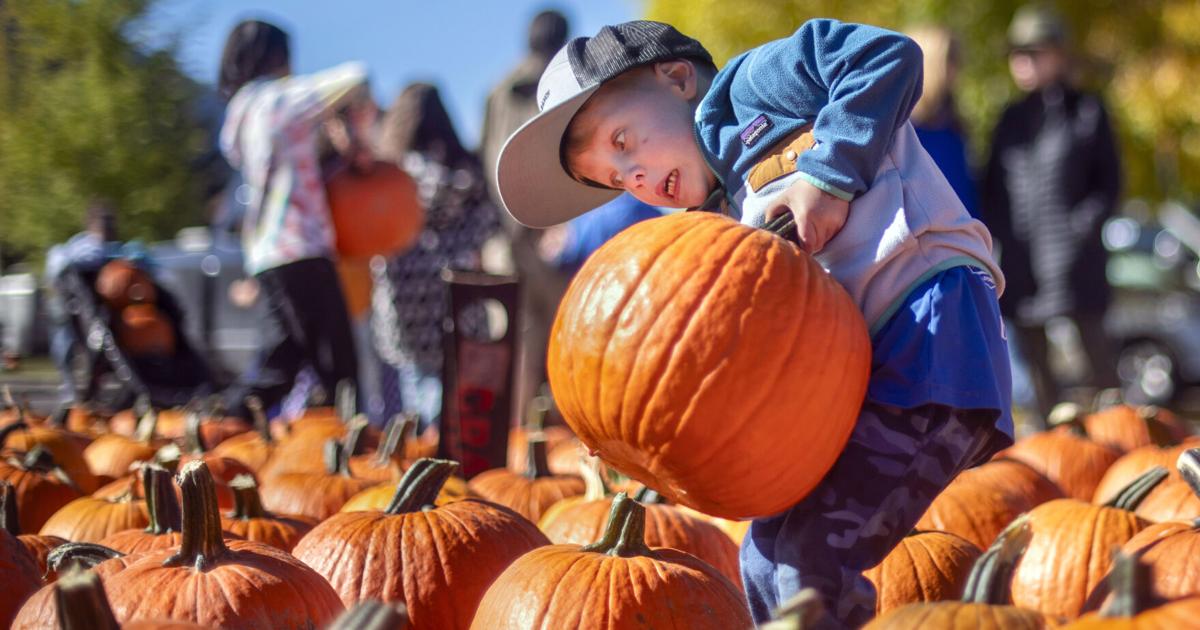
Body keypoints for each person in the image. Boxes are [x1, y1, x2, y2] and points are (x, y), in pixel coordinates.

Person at [495, 19, 1012, 627]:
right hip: (872, 370)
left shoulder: (752, 88)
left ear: (679, 78)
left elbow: (887, 57)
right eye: (613, 178)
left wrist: (830, 173)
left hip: (931, 328)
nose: (630, 176)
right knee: (768, 556)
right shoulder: (721, 218)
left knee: (803, 559)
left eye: (624, 140)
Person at [217, 19, 366, 420]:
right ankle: (224, 420)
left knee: (287, 354)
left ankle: (225, 419)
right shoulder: (278, 100)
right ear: (277, 57)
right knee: (338, 368)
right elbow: (355, 76)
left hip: (266, 251)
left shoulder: (240, 114)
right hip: (300, 246)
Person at [981, 5, 1121, 422]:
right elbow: (993, 189)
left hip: (1075, 267)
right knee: (1040, 377)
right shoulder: (1009, 120)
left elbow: (1107, 187)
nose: (1022, 62)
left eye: (1033, 52)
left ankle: (1117, 447)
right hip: (1023, 268)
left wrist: (1079, 236)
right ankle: (1052, 446)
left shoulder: (1087, 111)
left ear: (1059, 55)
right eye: (1016, 53)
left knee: (1097, 367)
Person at [373, 82, 500, 432]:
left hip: (405, 294)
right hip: (456, 290)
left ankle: (423, 450)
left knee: (415, 382)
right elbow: (489, 224)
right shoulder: (466, 172)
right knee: (453, 382)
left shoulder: (394, 172)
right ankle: (449, 448)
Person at [479, 9, 572, 426]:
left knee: (516, 343)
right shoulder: (557, 87)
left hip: (504, 234)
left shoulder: (496, 91)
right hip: (549, 231)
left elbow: (486, 159)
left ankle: (514, 442)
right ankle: (547, 439)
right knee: (561, 339)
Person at [45, 201, 123, 401]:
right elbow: (61, 266)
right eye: (105, 223)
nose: (109, 229)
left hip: (97, 311)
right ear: (94, 224)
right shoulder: (81, 247)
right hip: (71, 308)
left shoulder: (114, 249)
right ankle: (72, 389)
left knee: (100, 349)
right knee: (67, 348)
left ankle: (91, 392)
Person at [906, 26, 979, 218]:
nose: (955, 69)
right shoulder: (903, 131)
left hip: (963, 237)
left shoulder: (954, 126)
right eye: (949, 60)